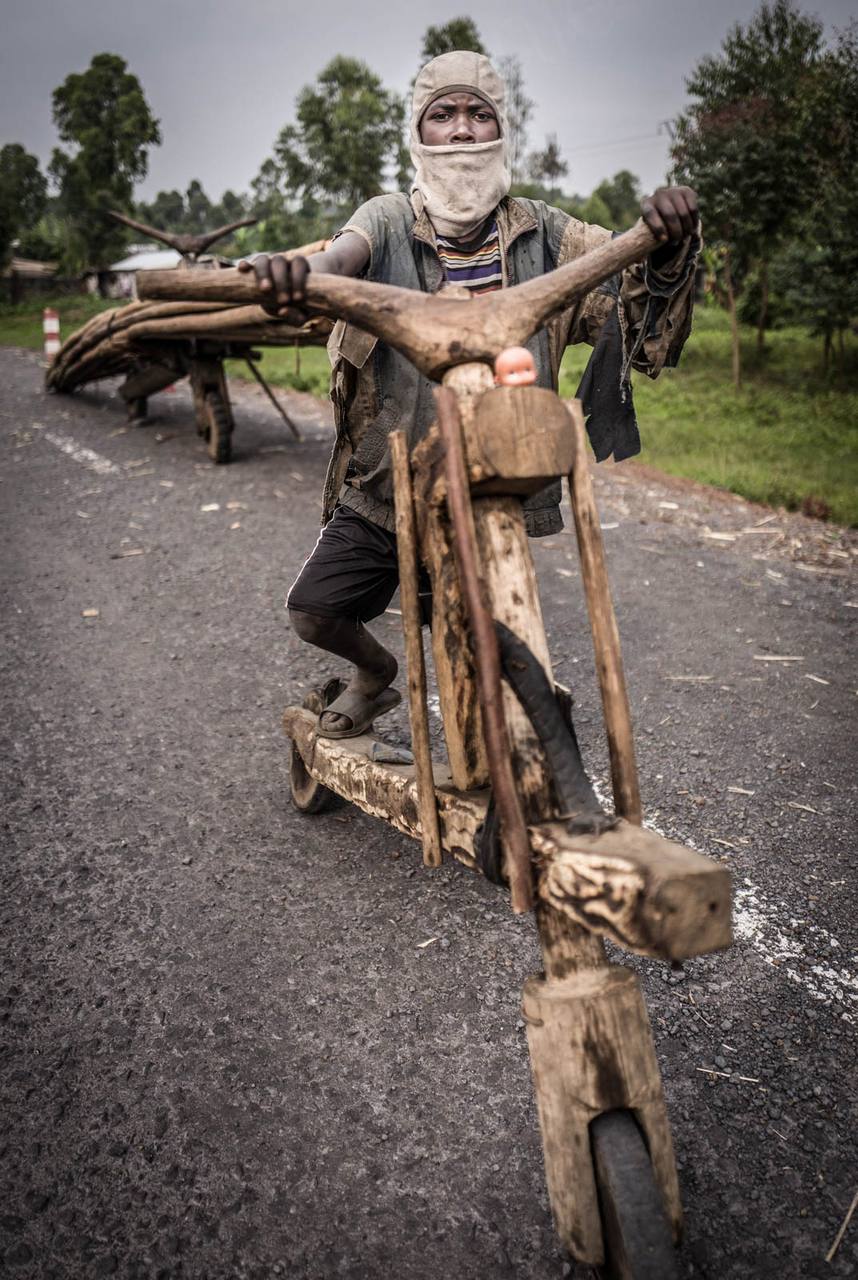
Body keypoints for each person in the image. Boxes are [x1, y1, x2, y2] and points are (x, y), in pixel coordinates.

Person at [240, 51, 700, 739]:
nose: (462, 129)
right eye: (444, 113)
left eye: (479, 113)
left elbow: (636, 310)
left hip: (496, 495)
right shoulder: (388, 219)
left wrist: (667, 251)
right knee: (314, 611)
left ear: (499, 131)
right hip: (387, 487)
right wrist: (296, 273)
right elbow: (340, 259)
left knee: (488, 658)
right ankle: (375, 676)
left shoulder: (551, 233)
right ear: (420, 132)